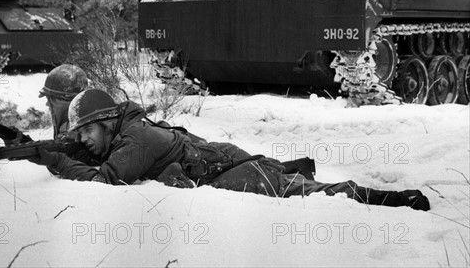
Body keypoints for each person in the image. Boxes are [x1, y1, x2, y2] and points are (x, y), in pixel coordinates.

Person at [28, 89, 430, 211]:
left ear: (108, 121)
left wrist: (60, 162)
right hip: (222, 165)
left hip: (235, 174)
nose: (82, 140)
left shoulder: (136, 139)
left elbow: (103, 182)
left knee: (313, 195)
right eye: (78, 135)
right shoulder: (126, 134)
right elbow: (98, 158)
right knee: (294, 185)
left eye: (86, 132)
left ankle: (392, 199)